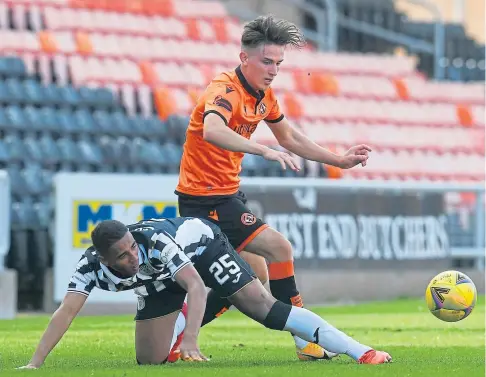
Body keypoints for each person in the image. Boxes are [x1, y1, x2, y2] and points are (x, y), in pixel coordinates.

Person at [175, 14, 372, 360]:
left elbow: (289, 136)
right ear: (244, 58)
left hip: (224, 196)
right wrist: (263, 149)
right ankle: (306, 343)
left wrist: (339, 161)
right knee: (280, 249)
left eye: (279, 63)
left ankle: (174, 331)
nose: (273, 70)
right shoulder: (224, 90)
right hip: (204, 199)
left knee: (254, 276)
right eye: (267, 61)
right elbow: (213, 130)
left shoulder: (264, 96)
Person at [19, 218, 390, 369]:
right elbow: (64, 312)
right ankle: (221, 298)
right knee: (149, 360)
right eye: (123, 255)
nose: (133, 256)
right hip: (161, 282)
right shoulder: (88, 267)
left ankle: (362, 351)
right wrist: (35, 364)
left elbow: (195, 284)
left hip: (202, 247)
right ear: (103, 259)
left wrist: (192, 340)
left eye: (133, 248)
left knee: (265, 309)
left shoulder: (154, 242)